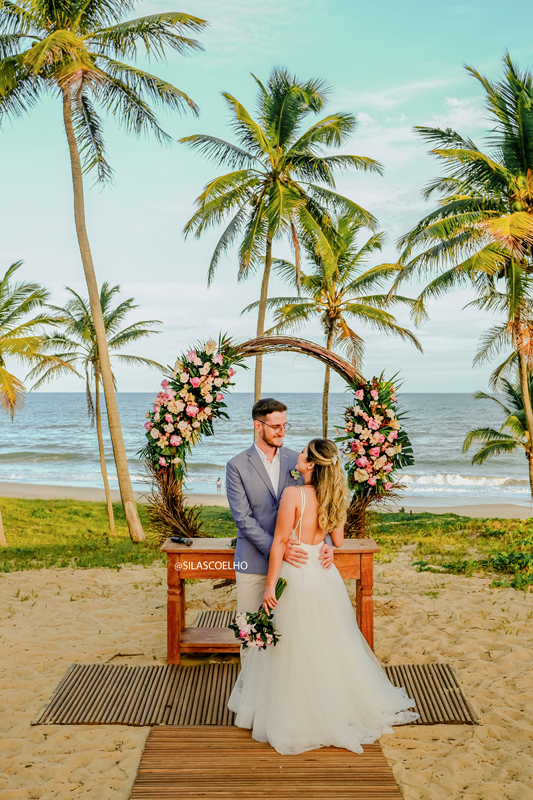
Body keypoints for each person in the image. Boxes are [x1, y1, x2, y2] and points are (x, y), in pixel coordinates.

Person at [228, 438, 419, 755]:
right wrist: (326, 541)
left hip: (298, 571)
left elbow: (279, 543)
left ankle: (295, 709)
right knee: (326, 641)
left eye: (302, 453)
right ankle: (333, 705)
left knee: (292, 644)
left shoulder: (294, 494)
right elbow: (340, 541)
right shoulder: (335, 494)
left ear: (312, 465)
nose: (297, 456)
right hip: (323, 571)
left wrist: (270, 585)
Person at [226, 399, 335, 663]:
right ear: (258, 426)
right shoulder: (237, 465)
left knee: (291, 634)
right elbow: (243, 518)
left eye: (285, 425)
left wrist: (327, 540)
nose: (282, 432)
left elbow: (323, 497)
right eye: (275, 426)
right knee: (253, 630)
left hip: (295, 566)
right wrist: (280, 546)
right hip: (253, 560)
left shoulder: (297, 459)